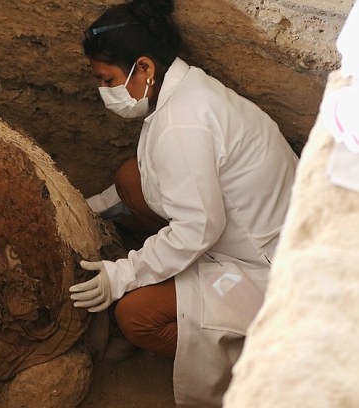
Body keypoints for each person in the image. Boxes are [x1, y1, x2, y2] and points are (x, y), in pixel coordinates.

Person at [68, 0, 299, 406]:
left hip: (267, 267)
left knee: (135, 316)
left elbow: (198, 229)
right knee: (129, 179)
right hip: (236, 227)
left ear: (144, 69)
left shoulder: (183, 123)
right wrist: (79, 211)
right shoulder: (185, 90)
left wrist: (121, 276)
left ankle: (260, 363)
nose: (103, 91)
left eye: (107, 80)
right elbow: (158, 179)